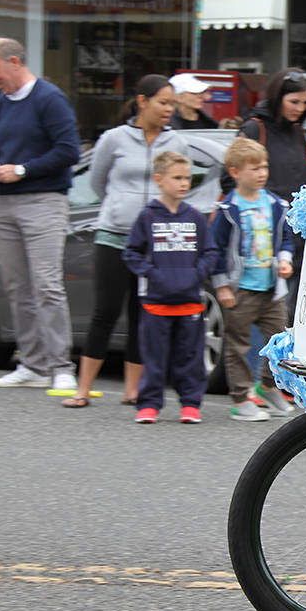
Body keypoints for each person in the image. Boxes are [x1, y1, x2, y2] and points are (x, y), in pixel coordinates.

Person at [62, 74, 190, 409]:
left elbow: (184, 184)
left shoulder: (176, 141)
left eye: (172, 105)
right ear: (142, 101)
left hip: (154, 244)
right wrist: (121, 209)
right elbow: (99, 181)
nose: (168, 110)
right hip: (113, 238)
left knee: (142, 314)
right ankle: (83, 388)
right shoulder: (113, 139)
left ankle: (133, 390)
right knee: (104, 311)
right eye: (162, 103)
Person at [0, 36, 81, 391]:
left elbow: (69, 151)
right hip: (6, 203)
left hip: (44, 201)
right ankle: (32, 364)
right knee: (17, 286)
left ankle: (60, 366)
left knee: (47, 284)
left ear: (15, 62)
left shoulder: (50, 100)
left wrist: (21, 170)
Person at [123, 150, 219, 424]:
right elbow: (131, 253)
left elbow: (210, 252)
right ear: (159, 180)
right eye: (177, 178)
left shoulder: (195, 218)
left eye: (187, 178)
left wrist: (196, 274)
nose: (183, 183)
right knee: (154, 357)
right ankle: (150, 404)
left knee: (189, 357)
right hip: (156, 302)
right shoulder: (148, 217)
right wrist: (153, 274)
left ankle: (190, 404)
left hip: (190, 301)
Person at [211, 138, 297, 422]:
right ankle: (240, 398)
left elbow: (285, 237)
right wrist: (221, 285)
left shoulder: (274, 204)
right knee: (238, 343)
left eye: (264, 167)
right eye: (254, 168)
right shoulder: (228, 209)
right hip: (241, 289)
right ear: (235, 172)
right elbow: (215, 248)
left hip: (271, 288)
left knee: (280, 341)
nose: (262, 173)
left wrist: (284, 259)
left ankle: (268, 387)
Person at [235, 67, 306, 315]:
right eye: (293, 101)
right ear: (277, 97)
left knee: (288, 313)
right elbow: (231, 177)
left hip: (297, 233)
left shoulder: (297, 132)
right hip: (263, 233)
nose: (299, 108)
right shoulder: (254, 129)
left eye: (305, 102)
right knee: (260, 310)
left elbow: (301, 179)